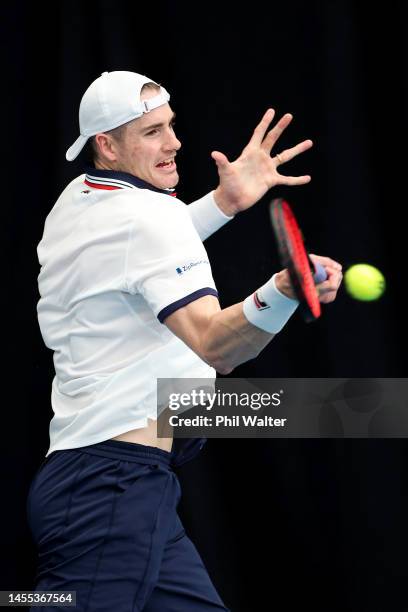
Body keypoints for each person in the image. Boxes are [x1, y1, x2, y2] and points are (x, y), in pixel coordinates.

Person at [27, 70, 342, 611]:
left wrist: (222, 202)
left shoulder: (76, 202)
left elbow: (135, 252)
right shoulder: (149, 218)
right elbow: (216, 347)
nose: (174, 143)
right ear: (107, 143)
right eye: (151, 132)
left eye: (171, 126)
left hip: (111, 485)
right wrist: (284, 289)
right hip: (112, 491)